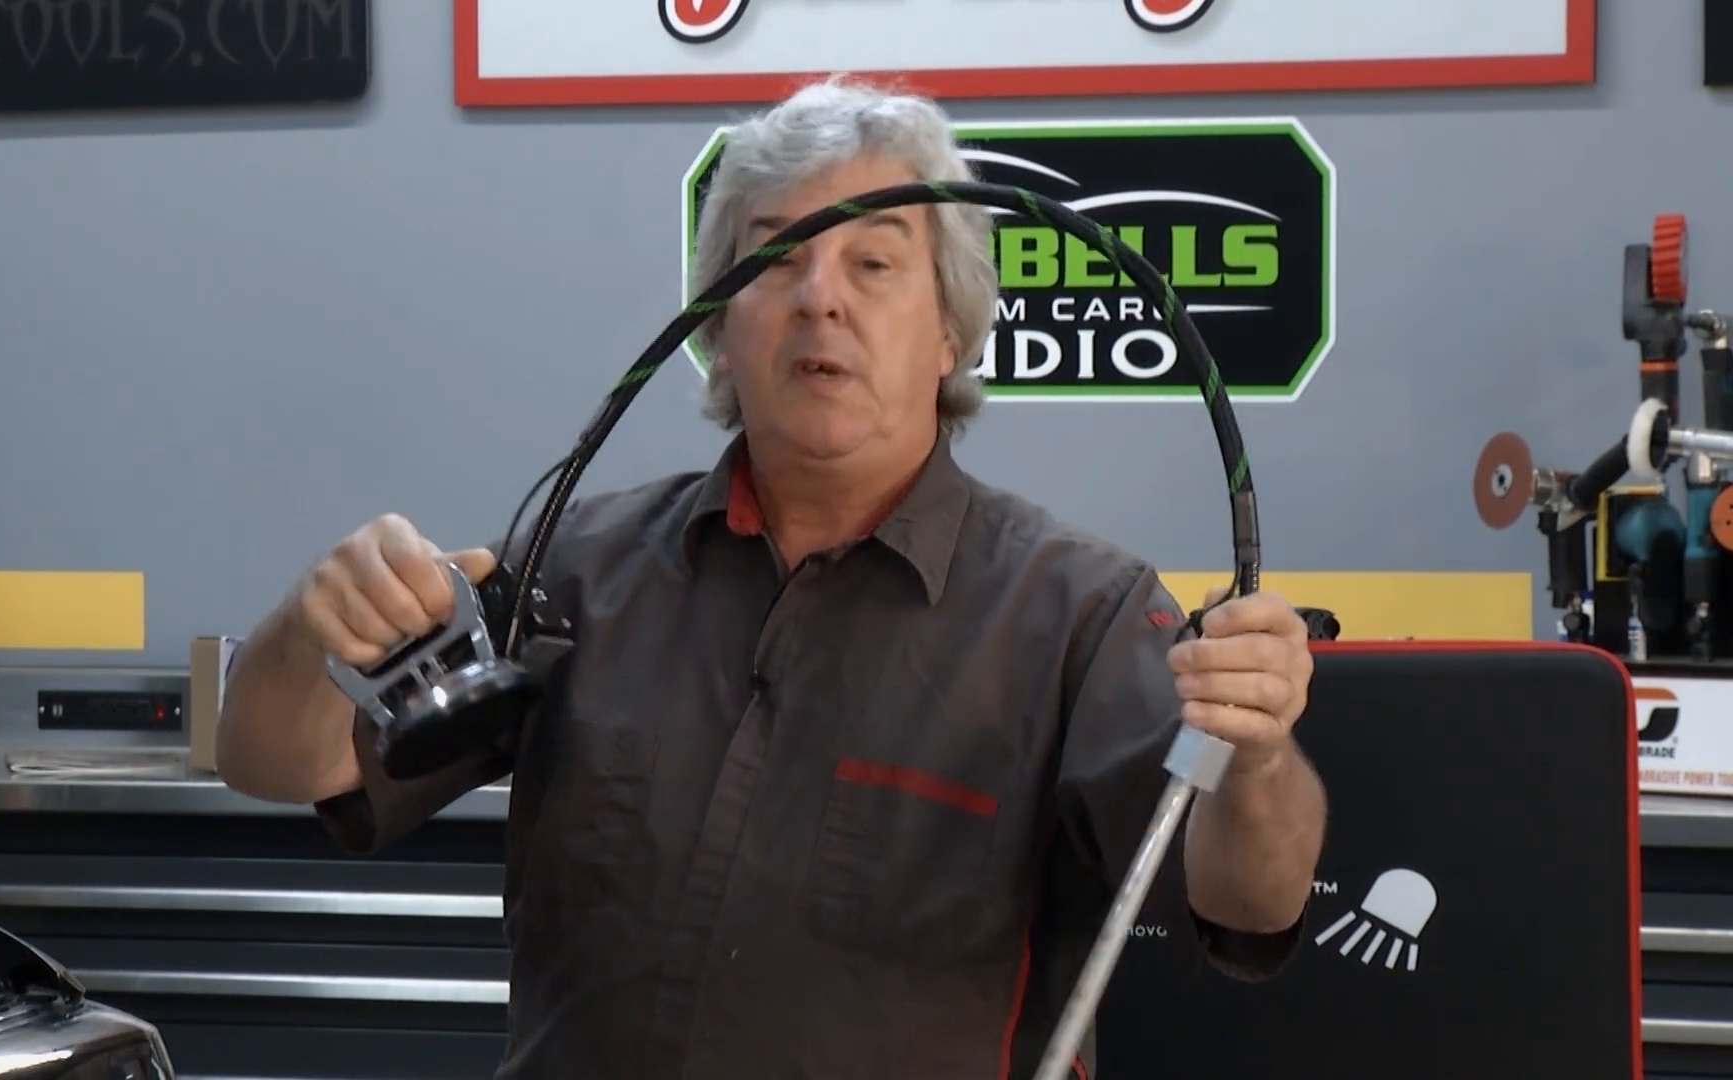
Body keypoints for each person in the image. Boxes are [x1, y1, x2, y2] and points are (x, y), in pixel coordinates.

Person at [216, 75, 1327, 1080]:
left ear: (950, 333)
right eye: (776, 258)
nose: (819, 298)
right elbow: (278, 762)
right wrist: (309, 634)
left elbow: (1249, 905)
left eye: (873, 263)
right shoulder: (578, 567)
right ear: (717, 328)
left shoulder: (1078, 612)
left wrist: (1260, 757)